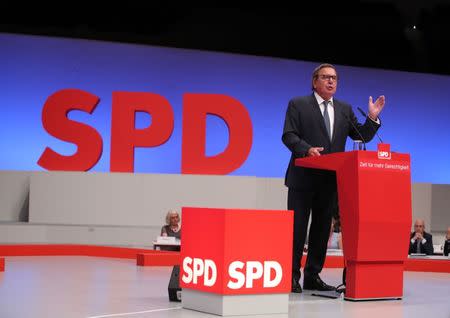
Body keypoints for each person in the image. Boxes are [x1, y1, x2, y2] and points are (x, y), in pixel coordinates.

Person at [282, 63, 385, 293]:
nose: (331, 81)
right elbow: (288, 135)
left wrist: (372, 118)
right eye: (326, 77)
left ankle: (312, 276)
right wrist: (306, 149)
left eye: (334, 78)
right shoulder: (298, 104)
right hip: (303, 177)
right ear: (314, 81)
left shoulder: (344, 109)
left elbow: (362, 135)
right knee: (297, 230)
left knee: (320, 231)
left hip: (329, 180)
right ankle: (290, 276)